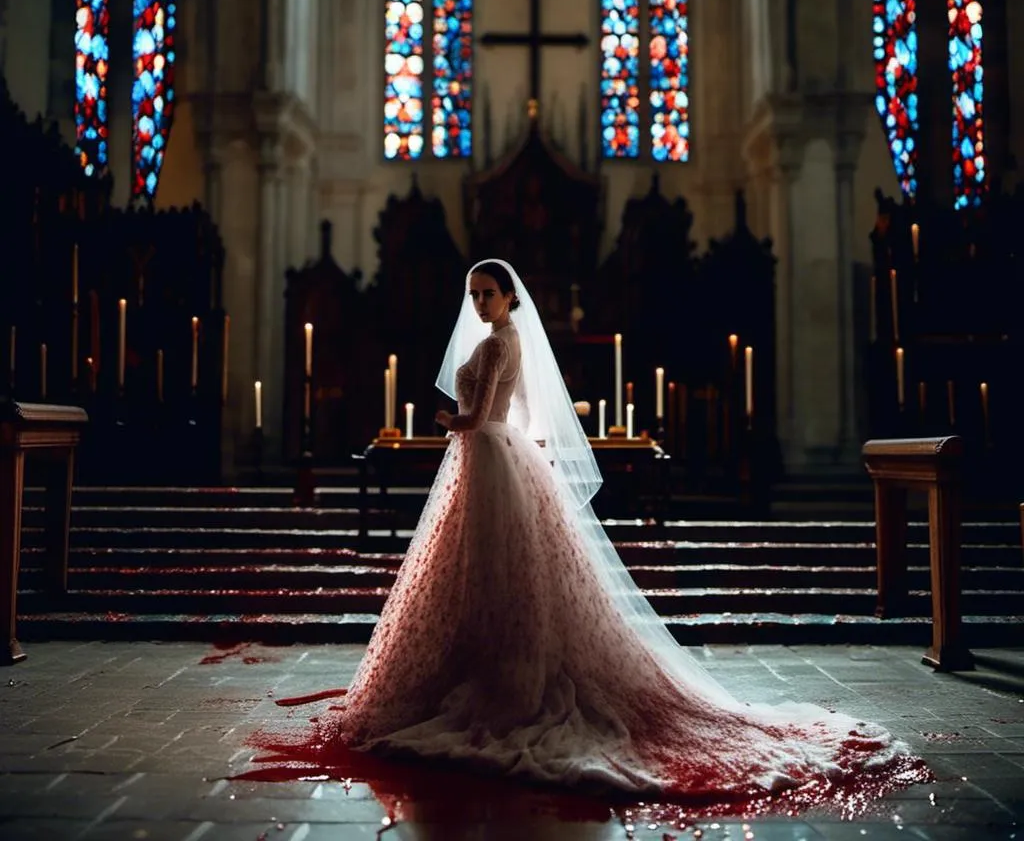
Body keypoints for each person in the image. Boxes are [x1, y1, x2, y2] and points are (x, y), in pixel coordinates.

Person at [254, 259, 929, 803]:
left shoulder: (495, 343)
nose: (480, 302)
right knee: (493, 572)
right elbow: (519, 413)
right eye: (474, 293)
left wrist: (447, 425)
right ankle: (484, 656)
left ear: (510, 297)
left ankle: (491, 672)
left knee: (484, 569)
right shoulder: (510, 341)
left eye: (487, 293)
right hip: (506, 457)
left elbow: (481, 417)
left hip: (488, 457)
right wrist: (499, 433)